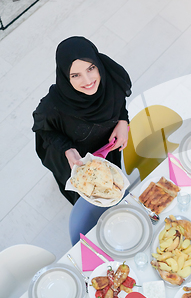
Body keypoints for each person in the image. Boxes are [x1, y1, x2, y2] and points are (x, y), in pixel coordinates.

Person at [32, 37, 132, 205]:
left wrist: (123, 120)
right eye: (75, 75)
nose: (88, 81)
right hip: (76, 159)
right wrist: (66, 149)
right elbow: (43, 128)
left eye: (91, 68)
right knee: (86, 199)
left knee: (112, 188)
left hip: (107, 148)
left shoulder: (112, 78)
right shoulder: (53, 106)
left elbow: (119, 100)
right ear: (65, 77)